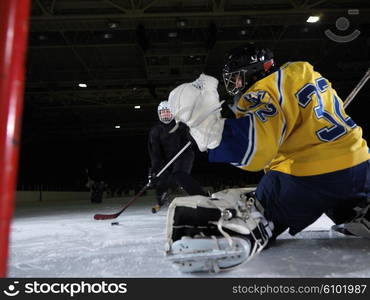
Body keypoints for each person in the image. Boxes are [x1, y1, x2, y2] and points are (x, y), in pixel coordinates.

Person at [165, 44, 370, 273]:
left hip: (309, 178)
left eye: (237, 78)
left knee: (256, 209)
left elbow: (257, 151)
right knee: (344, 200)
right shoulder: (303, 72)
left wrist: (207, 130)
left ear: (255, 71)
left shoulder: (263, 90)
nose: (236, 85)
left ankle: (237, 235)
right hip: (359, 165)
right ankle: (356, 210)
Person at [147, 100, 206, 213]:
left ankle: (202, 196)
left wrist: (192, 137)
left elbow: (194, 134)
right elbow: (155, 153)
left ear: (173, 113)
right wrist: (155, 171)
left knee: (180, 175)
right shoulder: (155, 131)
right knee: (161, 181)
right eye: (162, 113)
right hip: (167, 160)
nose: (165, 115)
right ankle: (160, 200)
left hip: (183, 155)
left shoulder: (181, 126)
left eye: (167, 112)